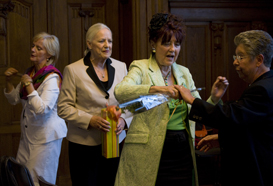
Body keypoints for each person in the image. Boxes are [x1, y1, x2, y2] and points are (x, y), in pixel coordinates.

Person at [114, 13, 225, 186]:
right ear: (153, 44)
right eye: (166, 43)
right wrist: (158, 89)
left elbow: (199, 111)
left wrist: (214, 98)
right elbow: (121, 91)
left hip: (182, 152)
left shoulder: (183, 72)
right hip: (148, 152)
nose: (173, 49)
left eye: (177, 44)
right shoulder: (141, 67)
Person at [175, 30, 273, 186]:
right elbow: (250, 128)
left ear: (259, 60)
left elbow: (230, 116)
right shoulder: (269, 83)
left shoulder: (262, 89)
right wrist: (220, 138)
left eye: (240, 57)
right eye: (235, 57)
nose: (235, 62)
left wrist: (191, 99)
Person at [57, 23, 132, 186]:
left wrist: (124, 120)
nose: (107, 45)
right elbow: (63, 108)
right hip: (84, 145)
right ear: (89, 44)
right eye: (102, 41)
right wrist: (90, 120)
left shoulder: (121, 67)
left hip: (115, 143)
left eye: (110, 41)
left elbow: (128, 103)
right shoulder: (73, 70)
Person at [4, 32, 67, 185]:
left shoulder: (52, 77)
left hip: (46, 139)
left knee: (38, 182)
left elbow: (42, 109)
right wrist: (8, 81)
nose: (33, 50)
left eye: (39, 48)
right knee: (23, 180)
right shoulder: (30, 73)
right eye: (33, 46)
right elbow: (13, 99)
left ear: (49, 54)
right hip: (28, 137)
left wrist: (29, 85)